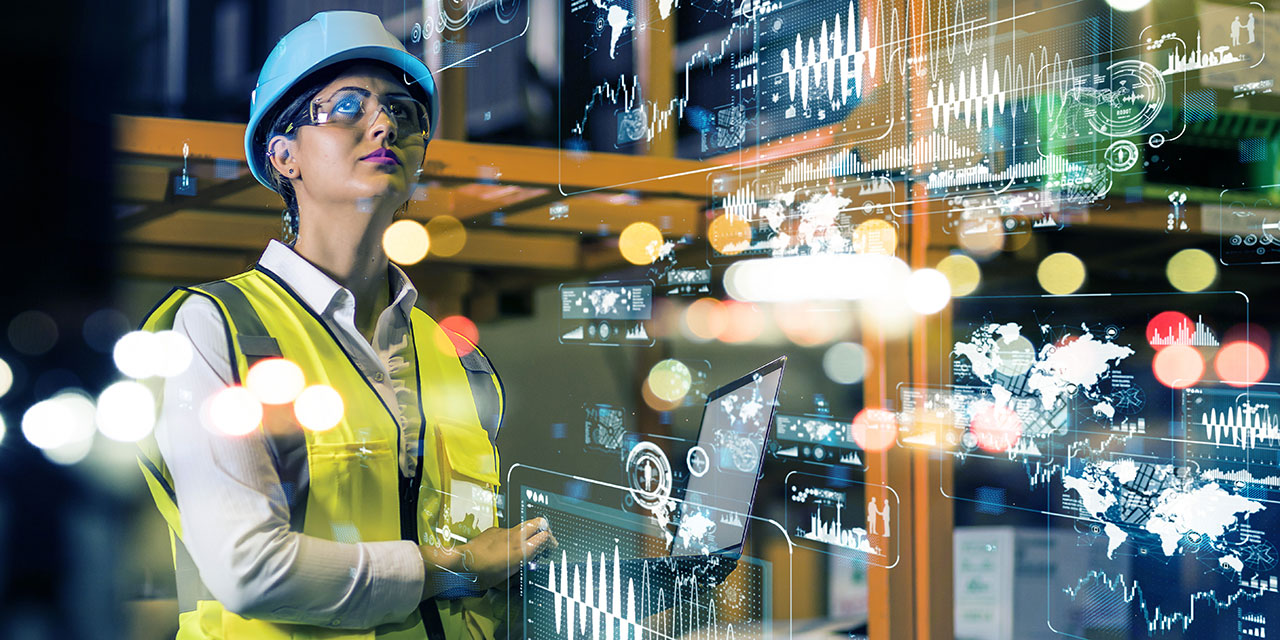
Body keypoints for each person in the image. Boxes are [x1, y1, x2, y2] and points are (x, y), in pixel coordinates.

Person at [135, 11, 555, 639]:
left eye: (403, 113)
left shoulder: (452, 355)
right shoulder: (215, 328)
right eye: (348, 107)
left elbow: (479, 548)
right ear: (284, 155)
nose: (383, 123)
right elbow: (250, 569)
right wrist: (457, 567)